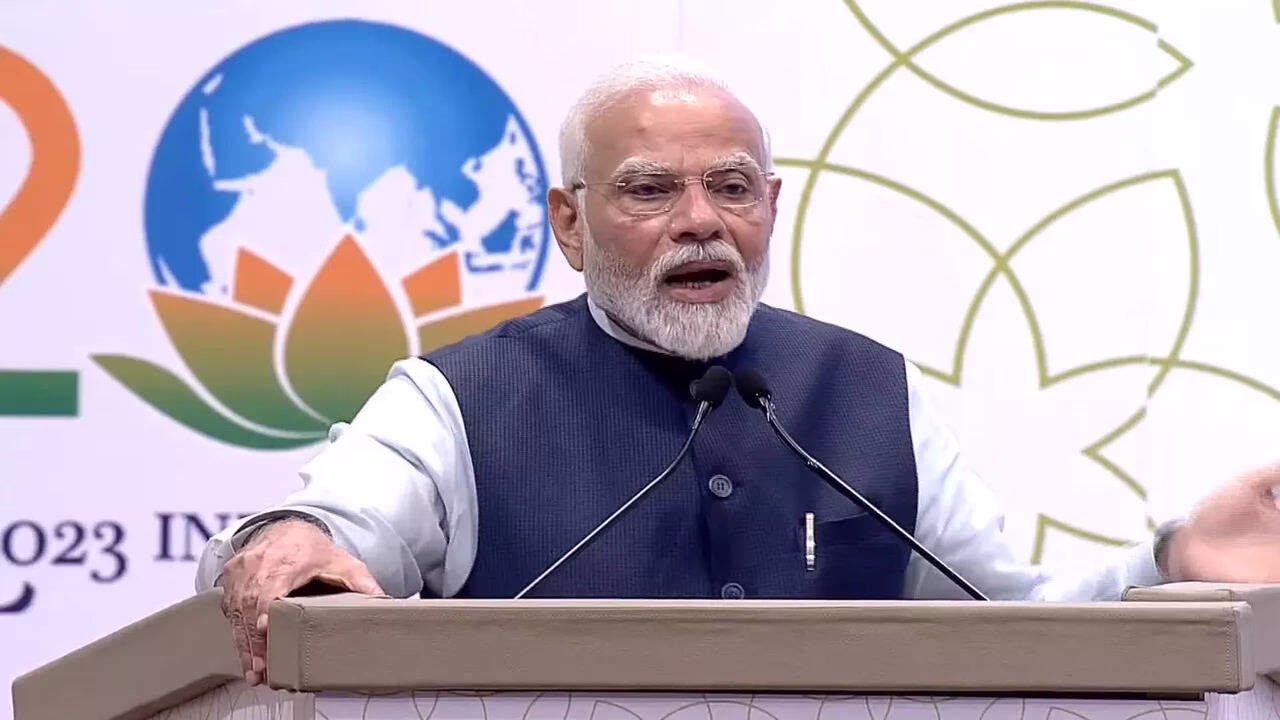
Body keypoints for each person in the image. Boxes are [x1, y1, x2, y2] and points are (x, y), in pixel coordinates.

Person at [196, 57, 1280, 686]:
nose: (700, 221)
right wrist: (286, 547)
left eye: (730, 187)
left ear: (772, 205)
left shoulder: (870, 392)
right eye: (649, 190)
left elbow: (1014, 625)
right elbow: (324, 540)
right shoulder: (457, 401)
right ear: (569, 224)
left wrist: (1175, 559)